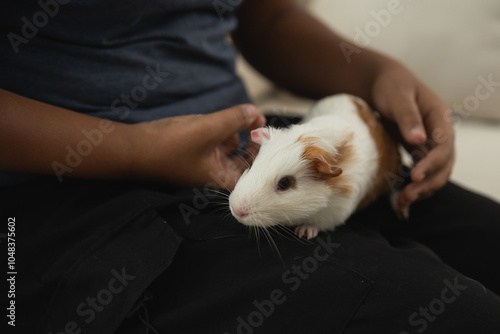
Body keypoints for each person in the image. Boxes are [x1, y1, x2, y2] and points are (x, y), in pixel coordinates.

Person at [1, 0, 499, 333]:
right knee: (463, 317)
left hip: (242, 144)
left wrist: (378, 72)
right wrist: (135, 150)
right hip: (61, 187)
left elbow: (265, 16)